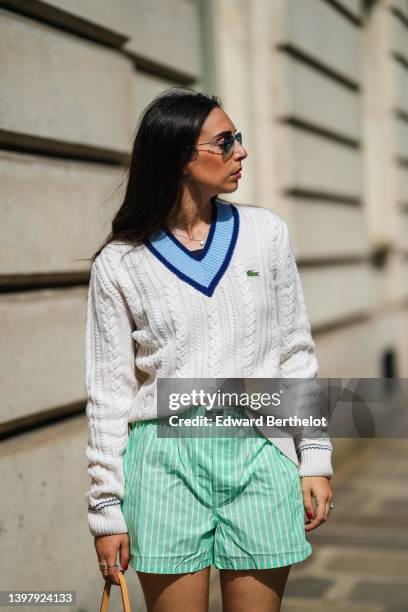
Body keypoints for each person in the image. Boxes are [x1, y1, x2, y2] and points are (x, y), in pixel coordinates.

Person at [84, 87, 334, 612]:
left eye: (237, 139)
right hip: (163, 463)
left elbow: (295, 354)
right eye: (225, 142)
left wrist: (313, 455)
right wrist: (106, 507)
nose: (240, 151)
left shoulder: (266, 234)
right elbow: (109, 392)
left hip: (260, 451)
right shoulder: (120, 263)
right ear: (179, 157)